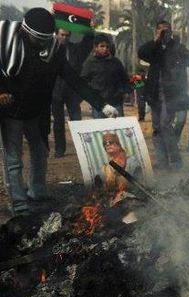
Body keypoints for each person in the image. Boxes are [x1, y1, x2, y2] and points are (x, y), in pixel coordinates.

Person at [0, 8, 117, 215]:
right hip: (11, 113)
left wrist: (102, 105)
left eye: (46, 39)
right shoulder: (5, 42)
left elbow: (73, 79)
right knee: (13, 160)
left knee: (41, 153)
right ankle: (18, 205)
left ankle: (37, 192)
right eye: (38, 39)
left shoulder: (54, 49)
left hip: (36, 111)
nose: (42, 44)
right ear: (27, 32)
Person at [138, 20, 189, 169]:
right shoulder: (154, 49)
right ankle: (162, 162)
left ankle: (175, 161)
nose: (163, 32)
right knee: (157, 128)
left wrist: (171, 41)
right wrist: (156, 41)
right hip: (155, 95)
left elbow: (188, 58)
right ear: (156, 31)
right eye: (160, 29)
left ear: (170, 31)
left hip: (171, 96)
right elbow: (141, 53)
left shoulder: (176, 47)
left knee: (165, 125)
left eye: (166, 29)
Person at [51, 27, 92, 158]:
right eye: (62, 35)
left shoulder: (76, 50)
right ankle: (59, 149)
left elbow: (88, 43)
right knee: (58, 123)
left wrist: (88, 27)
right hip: (55, 92)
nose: (65, 37)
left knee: (76, 121)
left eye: (67, 35)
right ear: (56, 34)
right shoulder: (49, 50)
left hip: (73, 92)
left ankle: (83, 149)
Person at [81, 34, 129, 118]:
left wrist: (123, 91)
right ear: (96, 47)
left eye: (107, 46)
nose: (105, 49)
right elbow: (83, 82)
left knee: (117, 127)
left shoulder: (116, 62)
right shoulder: (90, 63)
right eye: (102, 46)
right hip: (98, 104)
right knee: (100, 128)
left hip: (115, 102)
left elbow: (125, 79)